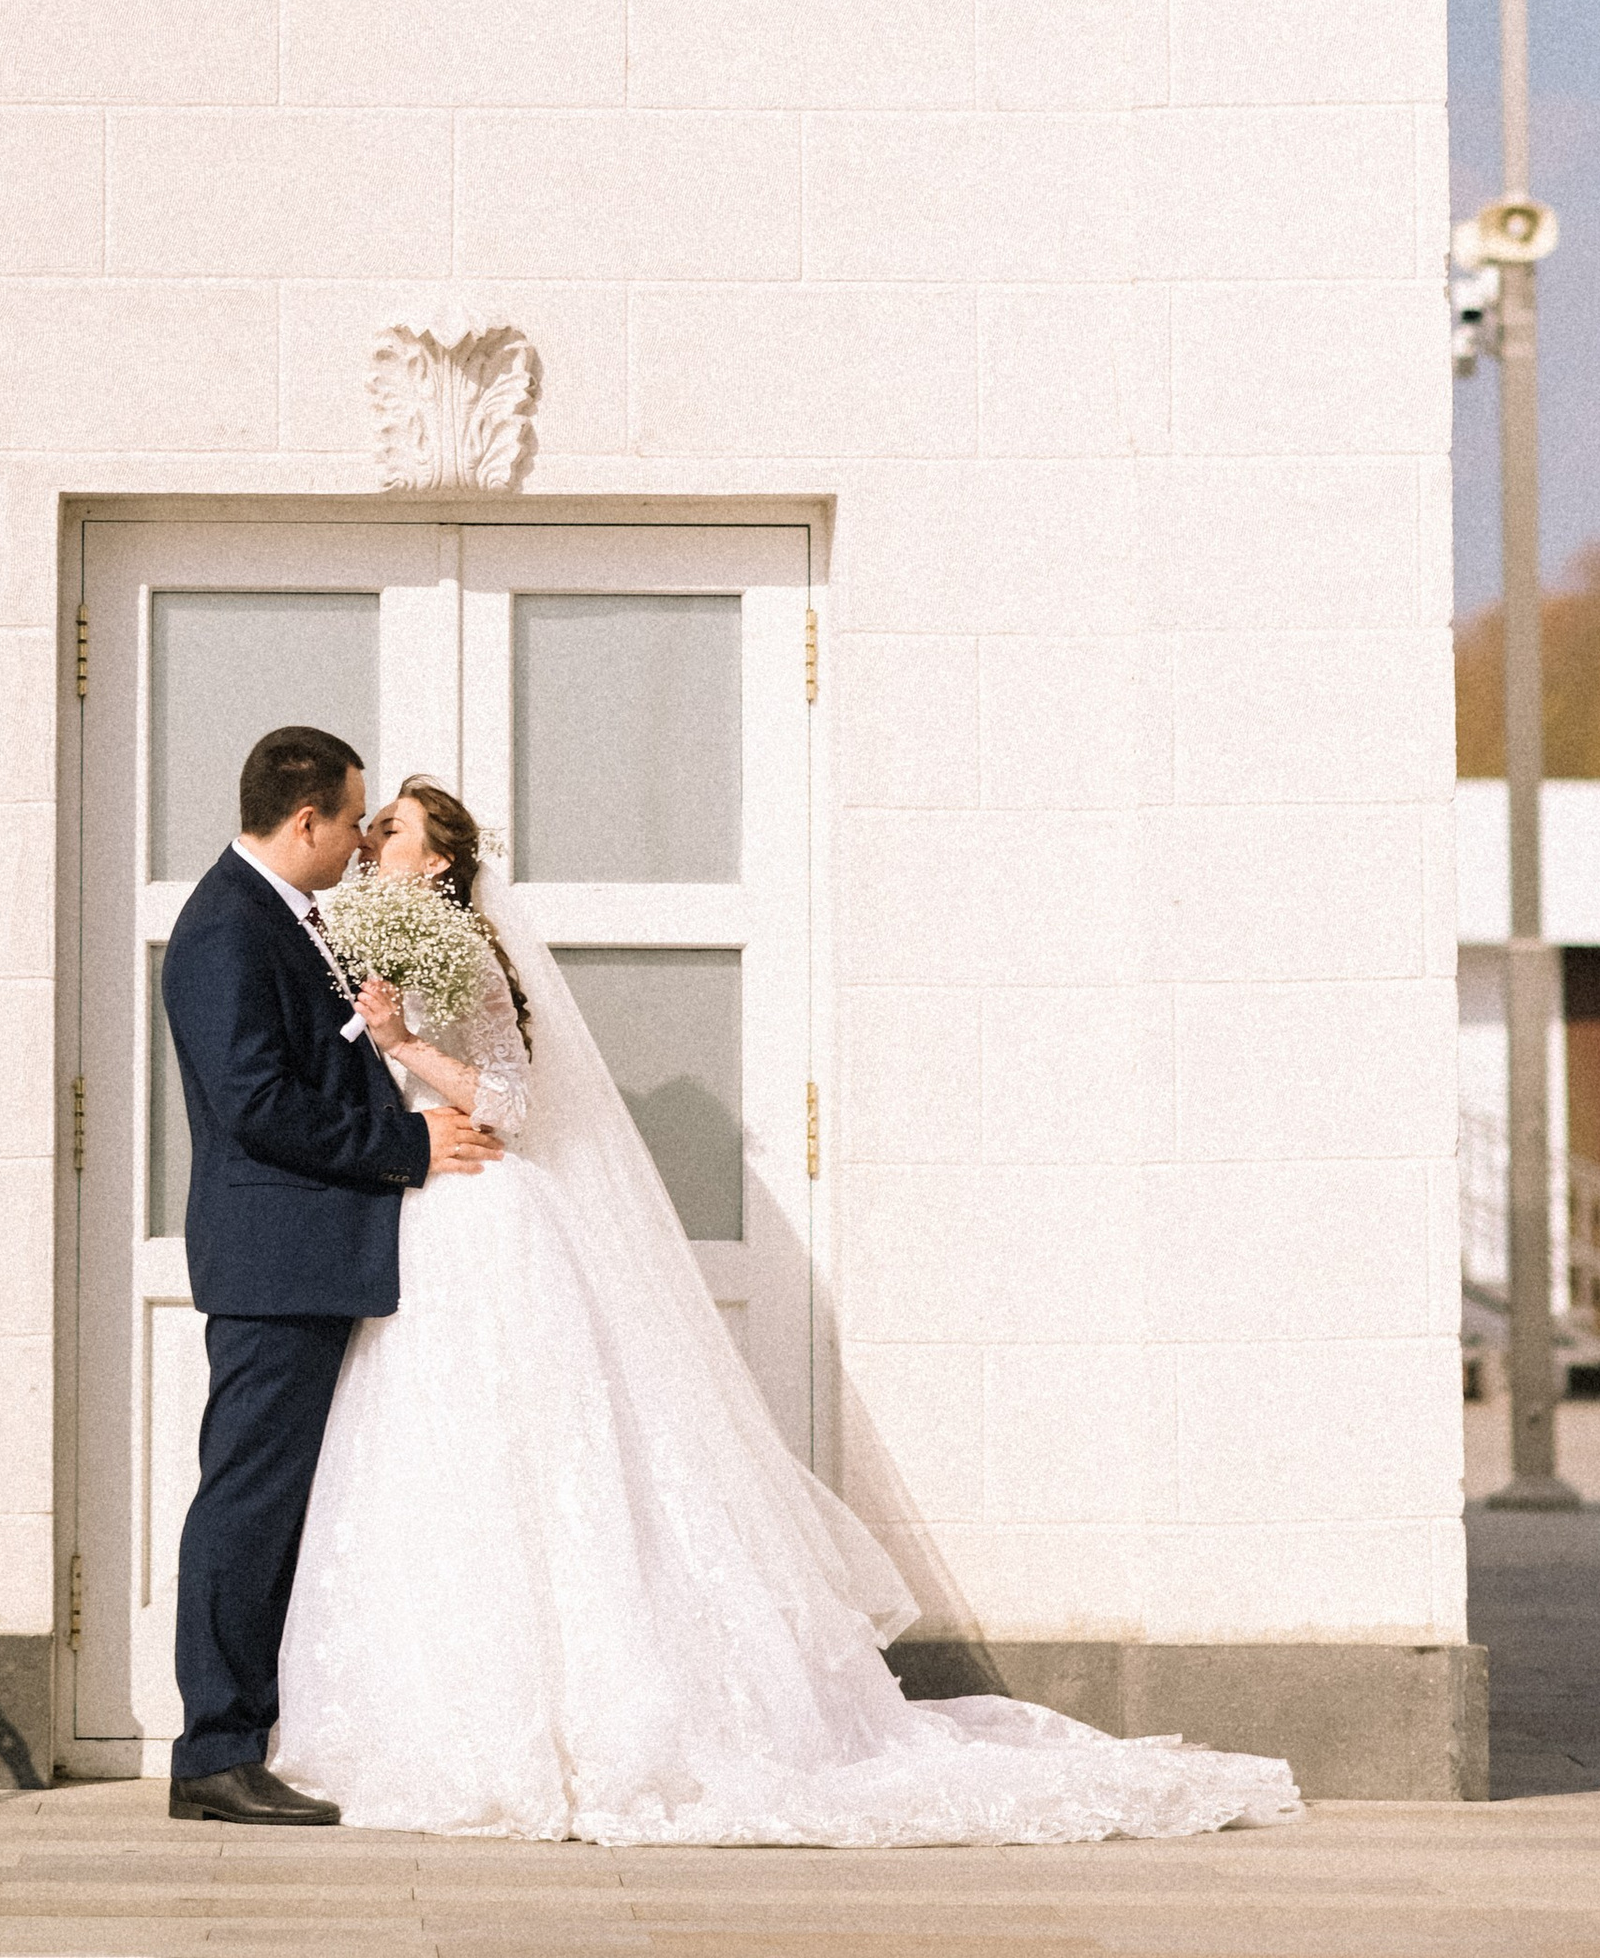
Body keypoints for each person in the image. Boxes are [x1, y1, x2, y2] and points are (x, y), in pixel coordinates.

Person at [275, 776, 1304, 1850]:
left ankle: (587, 1721)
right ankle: (430, 1708)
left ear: (436, 861)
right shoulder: (370, 932)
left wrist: (399, 1040)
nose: (371, 837)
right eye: (371, 824)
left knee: (539, 1453)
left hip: (490, 1218)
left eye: (391, 829)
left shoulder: (467, 949)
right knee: (436, 1458)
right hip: (425, 1222)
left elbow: (512, 1103)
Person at [157, 725, 506, 1826]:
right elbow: (256, 1105)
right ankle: (214, 1751)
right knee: (248, 1506)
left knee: (282, 1505)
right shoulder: (224, 927)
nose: (360, 839)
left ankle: (251, 1736)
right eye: (351, 818)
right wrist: (408, 1150)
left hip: (319, 1259)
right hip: (274, 1263)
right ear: (303, 820)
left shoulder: (287, 916)